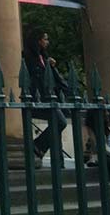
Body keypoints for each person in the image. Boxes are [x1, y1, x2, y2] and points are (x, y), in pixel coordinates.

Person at [24, 29, 67, 162]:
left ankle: (58, 159)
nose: (47, 42)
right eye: (45, 39)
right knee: (60, 122)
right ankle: (37, 145)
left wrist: (51, 66)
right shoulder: (28, 55)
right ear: (38, 40)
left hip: (48, 97)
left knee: (58, 123)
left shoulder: (43, 57)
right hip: (36, 98)